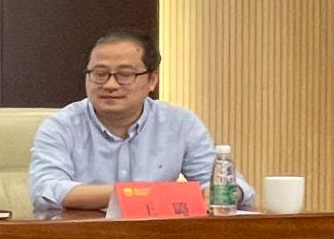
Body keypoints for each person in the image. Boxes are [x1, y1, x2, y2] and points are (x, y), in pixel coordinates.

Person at [29, 30, 254, 212]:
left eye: (125, 75)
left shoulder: (180, 123)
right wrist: (139, 195)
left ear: (152, 80)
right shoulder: (61, 126)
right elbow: (46, 189)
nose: (110, 85)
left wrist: (217, 194)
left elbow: (235, 187)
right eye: (99, 74)